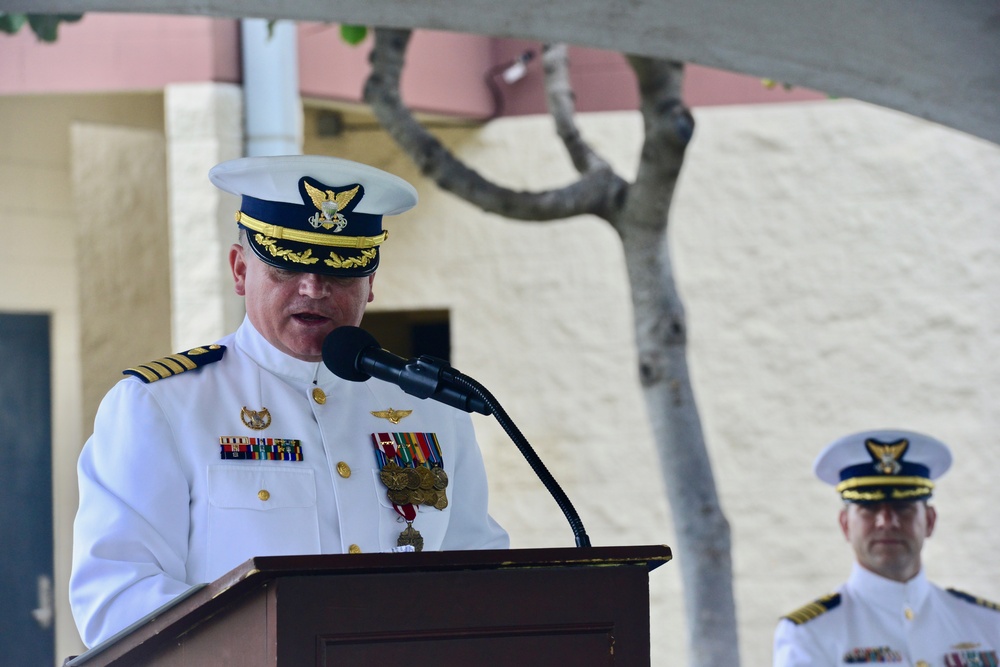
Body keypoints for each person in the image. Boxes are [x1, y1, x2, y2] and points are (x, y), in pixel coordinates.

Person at [70, 155, 509, 648]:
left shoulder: (431, 408)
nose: (314, 288)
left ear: (370, 283)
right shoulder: (163, 407)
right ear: (240, 270)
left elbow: (478, 572)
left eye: (340, 270)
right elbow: (116, 599)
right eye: (285, 264)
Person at [773, 429, 1000, 666]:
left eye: (903, 506)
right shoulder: (811, 634)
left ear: (930, 521)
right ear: (845, 525)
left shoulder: (987, 624)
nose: (886, 521)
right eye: (868, 508)